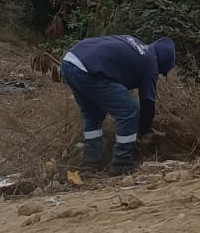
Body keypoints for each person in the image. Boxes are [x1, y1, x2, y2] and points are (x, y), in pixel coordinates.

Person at [60, 34, 176, 174]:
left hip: (69, 62)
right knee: (129, 110)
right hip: (87, 71)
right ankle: (122, 163)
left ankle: (92, 162)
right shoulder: (151, 64)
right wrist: (145, 130)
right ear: (164, 62)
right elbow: (148, 102)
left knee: (93, 113)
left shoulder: (137, 45)